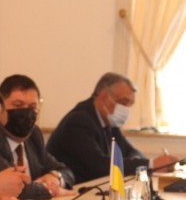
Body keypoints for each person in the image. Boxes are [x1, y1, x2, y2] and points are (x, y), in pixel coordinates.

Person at [46, 72, 180, 184]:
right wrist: (151, 164)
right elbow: (100, 166)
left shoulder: (109, 122)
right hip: (72, 192)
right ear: (103, 97)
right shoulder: (78, 121)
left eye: (129, 104)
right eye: (123, 102)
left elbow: (133, 152)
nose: (126, 109)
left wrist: (145, 163)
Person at [0, 74, 75, 199]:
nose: (26, 112)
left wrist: (55, 178)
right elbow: (13, 187)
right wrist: (51, 190)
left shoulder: (34, 135)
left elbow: (67, 172)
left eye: (32, 107)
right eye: (18, 105)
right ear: (0, 107)